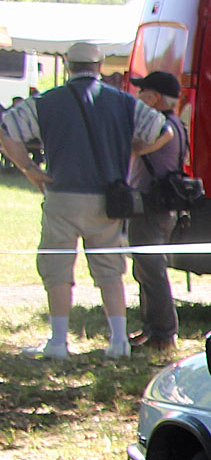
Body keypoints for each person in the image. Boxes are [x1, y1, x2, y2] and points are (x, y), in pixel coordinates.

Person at [0, 42, 171, 360]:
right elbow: (164, 131)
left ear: (67, 65)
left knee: (57, 269)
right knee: (109, 270)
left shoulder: (45, 101)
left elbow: (6, 128)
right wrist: (137, 149)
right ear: (100, 65)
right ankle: (118, 341)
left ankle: (58, 341)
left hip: (62, 194)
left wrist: (29, 168)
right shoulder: (123, 102)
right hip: (108, 198)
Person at [127, 70, 187, 350]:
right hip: (160, 205)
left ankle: (163, 333)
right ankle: (151, 328)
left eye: (144, 92)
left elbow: (135, 149)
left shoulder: (160, 125)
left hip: (151, 205)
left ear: (156, 97)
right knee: (145, 269)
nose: (139, 97)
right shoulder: (175, 122)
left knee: (150, 269)